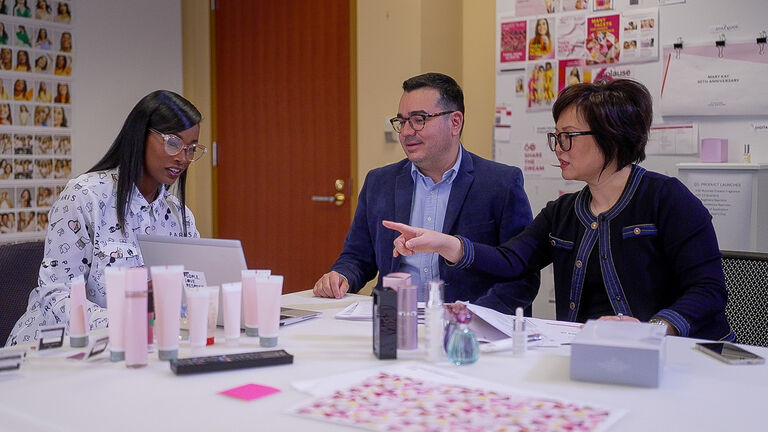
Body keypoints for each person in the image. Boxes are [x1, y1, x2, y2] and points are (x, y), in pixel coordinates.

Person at [384, 79, 732, 341]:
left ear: (610, 137)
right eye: (555, 136)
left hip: (678, 355)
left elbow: (708, 290)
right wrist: (445, 243)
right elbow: (512, 260)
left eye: (567, 136)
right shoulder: (563, 212)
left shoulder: (667, 199)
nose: (558, 148)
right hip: (592, 354)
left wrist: (654, 329)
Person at [313, 73, 538, 313]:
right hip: (393, 322)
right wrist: (341, 275)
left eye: (419, 120)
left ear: (455, 122)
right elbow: (357, 257)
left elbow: (522, 276)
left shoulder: (500, 183)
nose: (406, 132)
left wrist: (474, 317)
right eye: (402, 121)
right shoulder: (379, 182)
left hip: (466, 327)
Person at [7, 90, 206, 346]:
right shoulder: (85, 196)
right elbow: (56, 295)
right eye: (173, 143)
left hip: (136, 346)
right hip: (55, 348)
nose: (183, 158)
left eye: (191, 149)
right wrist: (127, 319)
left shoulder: (180, 217)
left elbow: (189, 291)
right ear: (140, 136)